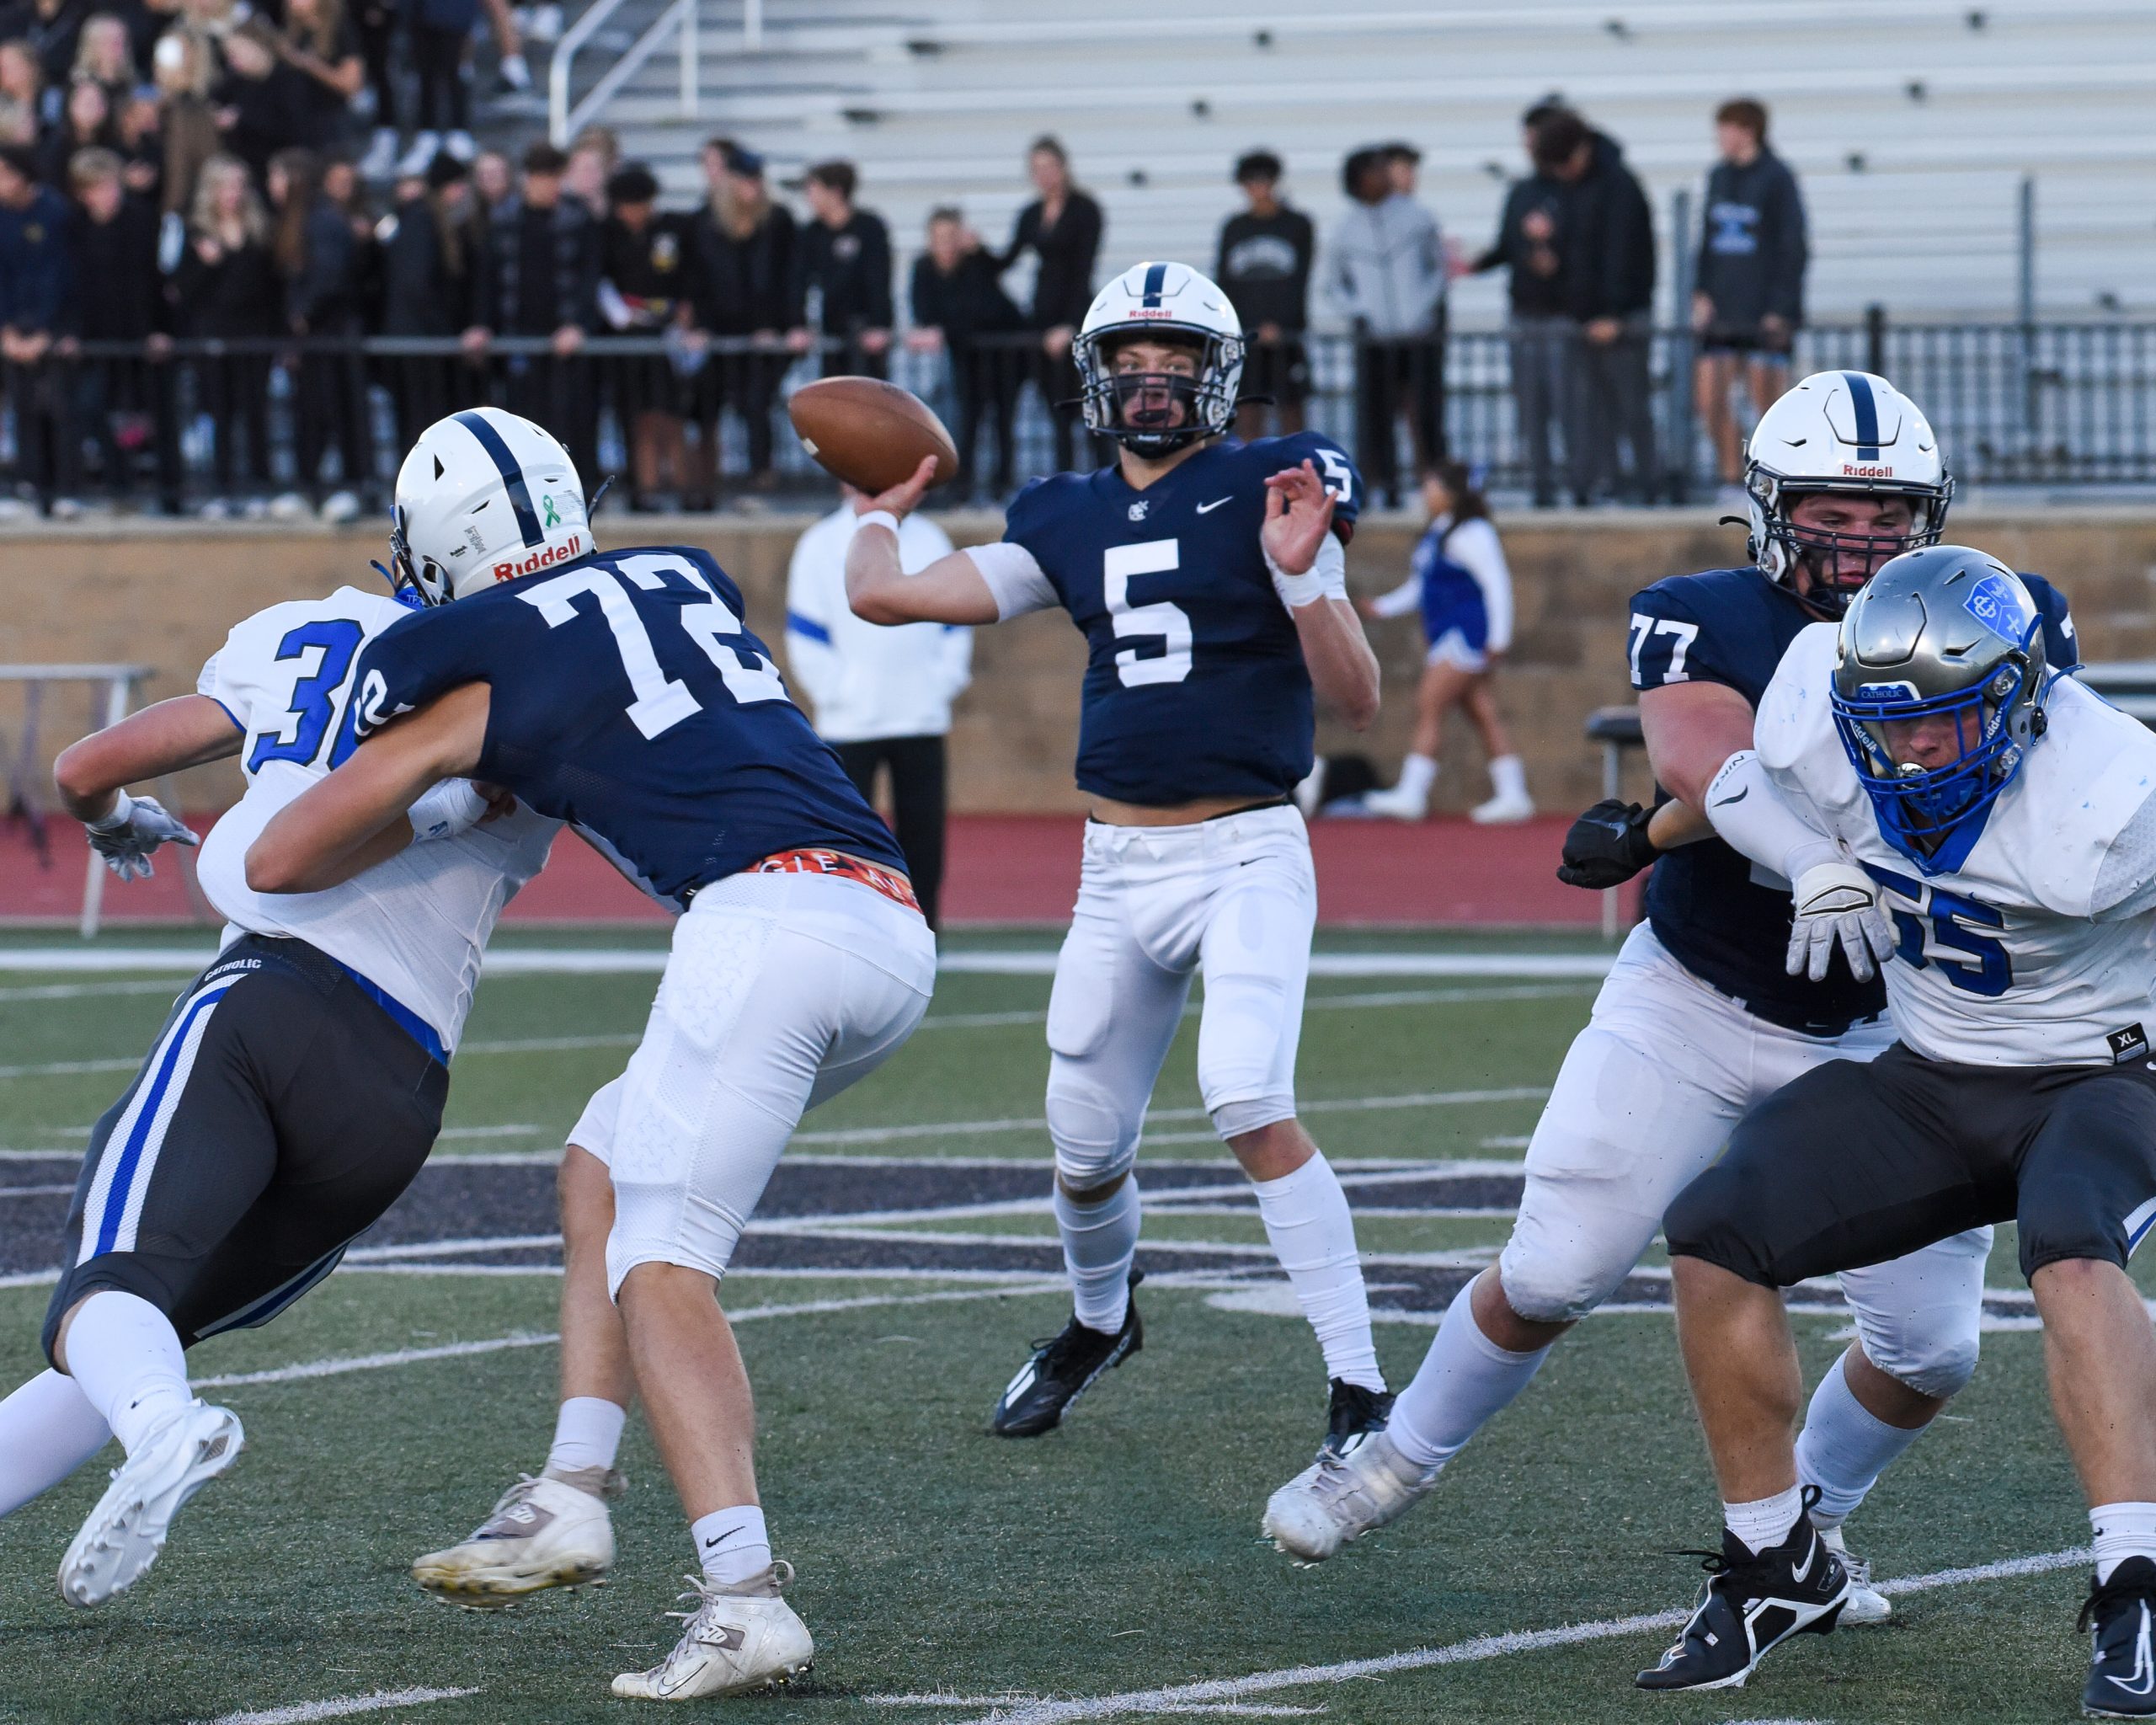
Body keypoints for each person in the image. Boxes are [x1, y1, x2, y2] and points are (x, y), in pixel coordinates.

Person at [1257, 372, 2077, 1616]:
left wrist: (1661, 833)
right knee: (1555, 1268)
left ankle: (1804, 1531)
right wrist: (1773, 849)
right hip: (1693, 994)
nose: (1862, 542)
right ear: (1770, 510)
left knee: (1932, 1348)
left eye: (1888, 516)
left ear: (1932, 518)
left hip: (1892, 1024)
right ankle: (1392, 1458)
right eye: (1831, 513)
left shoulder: (2005, 613)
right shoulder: (1701, 611)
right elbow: (1707, 754)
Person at [246, 407, 934, 1701]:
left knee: (662, 1268)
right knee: (600, 1170)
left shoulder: (465, 661)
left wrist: (447, 793)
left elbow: (281, 858)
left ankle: (743, 1598)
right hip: (888, 929)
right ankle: (570, 1488)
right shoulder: (682, 573)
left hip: (765, 922)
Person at [843, 261, 1396, 1465]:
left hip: (1246, 849)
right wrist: (877, 505)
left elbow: (1357, 699)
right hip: (1114, 869)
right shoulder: (1063, 513)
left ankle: (1360, 1385)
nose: (1152, 382)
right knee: (1084, 1146)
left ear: (1219, 374)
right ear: (1097, 379)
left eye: (1176, 361)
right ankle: (1100, 1322)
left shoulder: (1277, 480)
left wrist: (1302, 577)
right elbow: (882, 597)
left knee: (1246, 1097)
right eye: (1131, 362)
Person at [0, 523, 556, 1608]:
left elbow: (83, 768)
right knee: (134, 1338)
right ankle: (158, 1418)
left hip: (274, 1005)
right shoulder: (548, 690)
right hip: (396, 1102)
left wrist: (115, 821)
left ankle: (166, 1430)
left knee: (105, 1293)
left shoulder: (311, 631)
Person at [1641, 547, 2156, 1715]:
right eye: (1889, 723)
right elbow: (1739, 786)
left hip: (2103, 1077)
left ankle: (2136, 1588)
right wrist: (1793, 859)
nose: (1911, 750)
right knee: (1713, 1228)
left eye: (1941, 719)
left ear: (2019, 697)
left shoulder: (2114, 794)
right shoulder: (1818, 706)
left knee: (2072, 1251)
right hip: (1930, 1072)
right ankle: (1774, 1562)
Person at [786, 487, 969, 929]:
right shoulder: (820, 543)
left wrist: (939, 685)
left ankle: (923, 936)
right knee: (847, 843)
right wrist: (839, 693)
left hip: (921, 720)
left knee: (923, 841)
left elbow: (955, 621)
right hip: (847, 726)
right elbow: (805, 631)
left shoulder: (931, 539)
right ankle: (849, 934)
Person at [1356, 462, 1531, 823]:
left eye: (1431, 487)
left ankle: (1412, 793)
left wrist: (1499, 638)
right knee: (1483, 711)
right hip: (1448, 635)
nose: (1425, 494)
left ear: (1452, 493)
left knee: (1429, 703)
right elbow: (1421, 587)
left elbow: (1496, 584)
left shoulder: (1473, 532)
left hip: (1465, 635)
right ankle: (1513, 794)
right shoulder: (1439, 531)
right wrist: (1382, 607)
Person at [1534, 109, 1657, 505]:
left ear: (1582, 149)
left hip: (1621, 318)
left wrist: (1614, 315)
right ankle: (1605, 484)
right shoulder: (1567, 190)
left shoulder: (1620, 185)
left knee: (1631, 407)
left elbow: (1626, 256)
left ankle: (1647, 485)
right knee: (1590, 412)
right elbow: (1576, 254)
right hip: (1581, 319)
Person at [465, 140, 600, 484]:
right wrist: (481, 324)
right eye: (543, 178)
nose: (549, 186)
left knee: (572, 422)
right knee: (523, 424)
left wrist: (578, 325)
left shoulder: (579, 219)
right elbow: (488, 279)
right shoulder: (504, 220)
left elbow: (590, 279)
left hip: (566, 342)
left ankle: (577, 488)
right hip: (518, 339)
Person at [1694, 97, 1808, 493]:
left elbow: (1792, 246)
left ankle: (1776, 483)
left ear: (1748, 132)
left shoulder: (1777, 178)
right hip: (1724, 313)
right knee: (1709, 400)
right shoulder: (1718, 177)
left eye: (1727, 131)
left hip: (1764, 315)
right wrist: (1701, 292)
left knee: (1769, 409)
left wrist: (1781, 308)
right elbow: (1707, 241)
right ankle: (1732, 477)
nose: (1720, 139)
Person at [1326, 145, 1445, 507]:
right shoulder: (1346, 230)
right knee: (1377, 417)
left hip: (1418, 337)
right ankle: (1385, 488)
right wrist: (1360, 312)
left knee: (1426, 414)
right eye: (1376, 171)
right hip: (1375, 341)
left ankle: (1437, 488)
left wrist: (1422, 310)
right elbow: (1332, 286)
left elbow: (1438, 270)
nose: (1385, 177)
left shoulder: (1418, 218)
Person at [67, 145, 181, 513]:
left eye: (112, 184)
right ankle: (120, 488)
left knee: (160, 413)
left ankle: (171, 496)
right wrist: (74, 333)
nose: (109, 193)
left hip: (142, 333)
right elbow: (74, 285)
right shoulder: (75, 227)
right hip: (96, 337)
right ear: (83, 192)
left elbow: (153, 281)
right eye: (99, 186)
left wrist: (158, 330)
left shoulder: (142, 220)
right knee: (93, 407)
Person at [1474, 102, 1575, 508]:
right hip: (1524, 312)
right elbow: (1507, 246)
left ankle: (1580, 484)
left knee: (1569, 403)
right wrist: (1473, 265)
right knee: (1530, 406)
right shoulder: (1521, 192)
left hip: (1562, 314)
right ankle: (1541, 485)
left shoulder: (1573, 192)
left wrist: (1556, 257)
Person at [681, 138, 793, 504]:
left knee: (756, 402)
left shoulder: (777, 221)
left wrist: (777, 326)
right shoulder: (703, 222)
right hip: (717, 333)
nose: (753, 188)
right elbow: (696, 280)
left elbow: (786, 280)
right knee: (706, 406)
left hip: (762, 332)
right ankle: (702, 485)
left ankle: (762, 476)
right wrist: (699, 325)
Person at [269, 145, 372, 521]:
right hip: (321, 337)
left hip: (330, 336)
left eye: (276, 176)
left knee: (334, 412)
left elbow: (331, 276)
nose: (272, 185)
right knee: (312, 414)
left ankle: (348, 488)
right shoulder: (310, 219)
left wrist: (303, 314)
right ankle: (312, 488)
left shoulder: (321, 220)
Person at [987, 135, 1102, 473]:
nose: (1044, 175)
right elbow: (1005, 261)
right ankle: (1065, 480)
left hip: (1075, 314)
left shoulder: (1085, 209)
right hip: (1042, 313)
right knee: (1057, 410)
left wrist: (1070, 325)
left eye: (1050, 167)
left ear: (1064, 167)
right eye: (1037, 169)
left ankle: (1103, 477)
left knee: (1089, 407)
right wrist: (975, 250)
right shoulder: (1030, 213)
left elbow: (1084, 269)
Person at [173, 150, 277, 512]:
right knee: (219, 411)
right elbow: (182, 290)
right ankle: (220, 489)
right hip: (213, 336)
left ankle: (261, 487)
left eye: (238, 186)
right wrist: (207, 264)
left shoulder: (259, 228)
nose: (233, 194)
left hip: (254, 334)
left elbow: (270, 286)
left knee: (255, 411)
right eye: (225, 187)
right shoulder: (197, 231)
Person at [906, 204, 1024, 500]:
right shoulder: (924, 268)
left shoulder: (976, 264)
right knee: (968, 419)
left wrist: (980, 251)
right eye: (939, 237)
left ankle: (1002, 484)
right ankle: (963, 484)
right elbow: (923, 311)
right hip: (967, 357)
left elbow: (981, 309)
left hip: (1003, 355)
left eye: (951, 237)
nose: (946, 245)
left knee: (1003, 419)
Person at [596, 160, 689, 510]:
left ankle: (681, 487)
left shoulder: (671, 230)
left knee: (669, 412)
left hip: (666, 337)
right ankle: (641, 488)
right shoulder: (605, 234)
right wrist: (621, 314)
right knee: (633, 416)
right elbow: (598, 281)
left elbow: (685, 277)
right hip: (623, 342)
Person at [1214, 148, 1312, 442]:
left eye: (1264, 180)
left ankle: (1296, 464)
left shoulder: (1297, 225)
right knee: (1248, 409)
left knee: (1291, 408)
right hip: (1246, 335)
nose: (1257, 188)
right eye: (1250, 182)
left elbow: (1300, 281)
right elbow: (1225, 281)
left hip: (1286, 335)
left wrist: (1282, 324)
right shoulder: (1234, 228)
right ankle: (1251, 466)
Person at [0, 141, 76, 515]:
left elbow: (63, 277)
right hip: (12, 334)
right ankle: (28, 488)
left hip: (53, 332)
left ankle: (65, 490)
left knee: (59, 410)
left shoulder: (55, 212)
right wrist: (6, 332)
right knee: (23, 410)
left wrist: (48, 332)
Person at [787, 158, 890, 379]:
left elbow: (879, 279)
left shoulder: (869, 227)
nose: (809, 198)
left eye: (814, 190)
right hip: (831, 327)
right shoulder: (811, 233)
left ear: (835, 192)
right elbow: (798, 281)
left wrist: (879, 324)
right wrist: (798, 325)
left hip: (865, 330)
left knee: (869, 390)